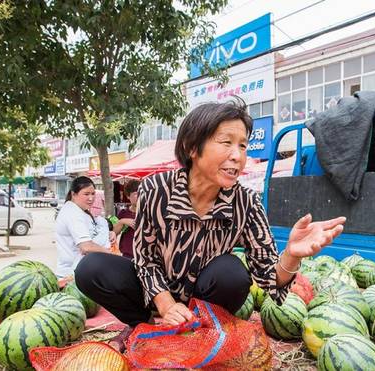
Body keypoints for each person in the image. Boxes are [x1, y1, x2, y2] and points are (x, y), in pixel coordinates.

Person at [75, 99, 345, 349]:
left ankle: (197, 328)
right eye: (226, 142)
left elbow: (268, 278)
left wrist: (291, 254)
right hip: (152, 293)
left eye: (242, 145)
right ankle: (142, 324)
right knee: (91, 268)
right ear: (192, 148)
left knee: (233, 273)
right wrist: (166, 304)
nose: (238, 155)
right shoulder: (156, 189)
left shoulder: (246, 202)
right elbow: (144, 258)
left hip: (203, 297)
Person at [55, 176, 116, 278]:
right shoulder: (73, 213)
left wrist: (108, 233)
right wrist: (111, 254)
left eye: (93, 194)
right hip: (71, 275)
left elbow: (91, 232)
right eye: (86, 194)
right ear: (73, 194)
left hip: (82, 271)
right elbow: (86, 247)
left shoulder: (81, 211)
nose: (91, 198)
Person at [112, 180, 140, 259]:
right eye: (135, 194)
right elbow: (114, 233)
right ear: (128, 196)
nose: (139, 196)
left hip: (144, 255)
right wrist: (123, 221)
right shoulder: (123, 213)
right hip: (128, 254)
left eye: (141, 192)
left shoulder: (148, 212)